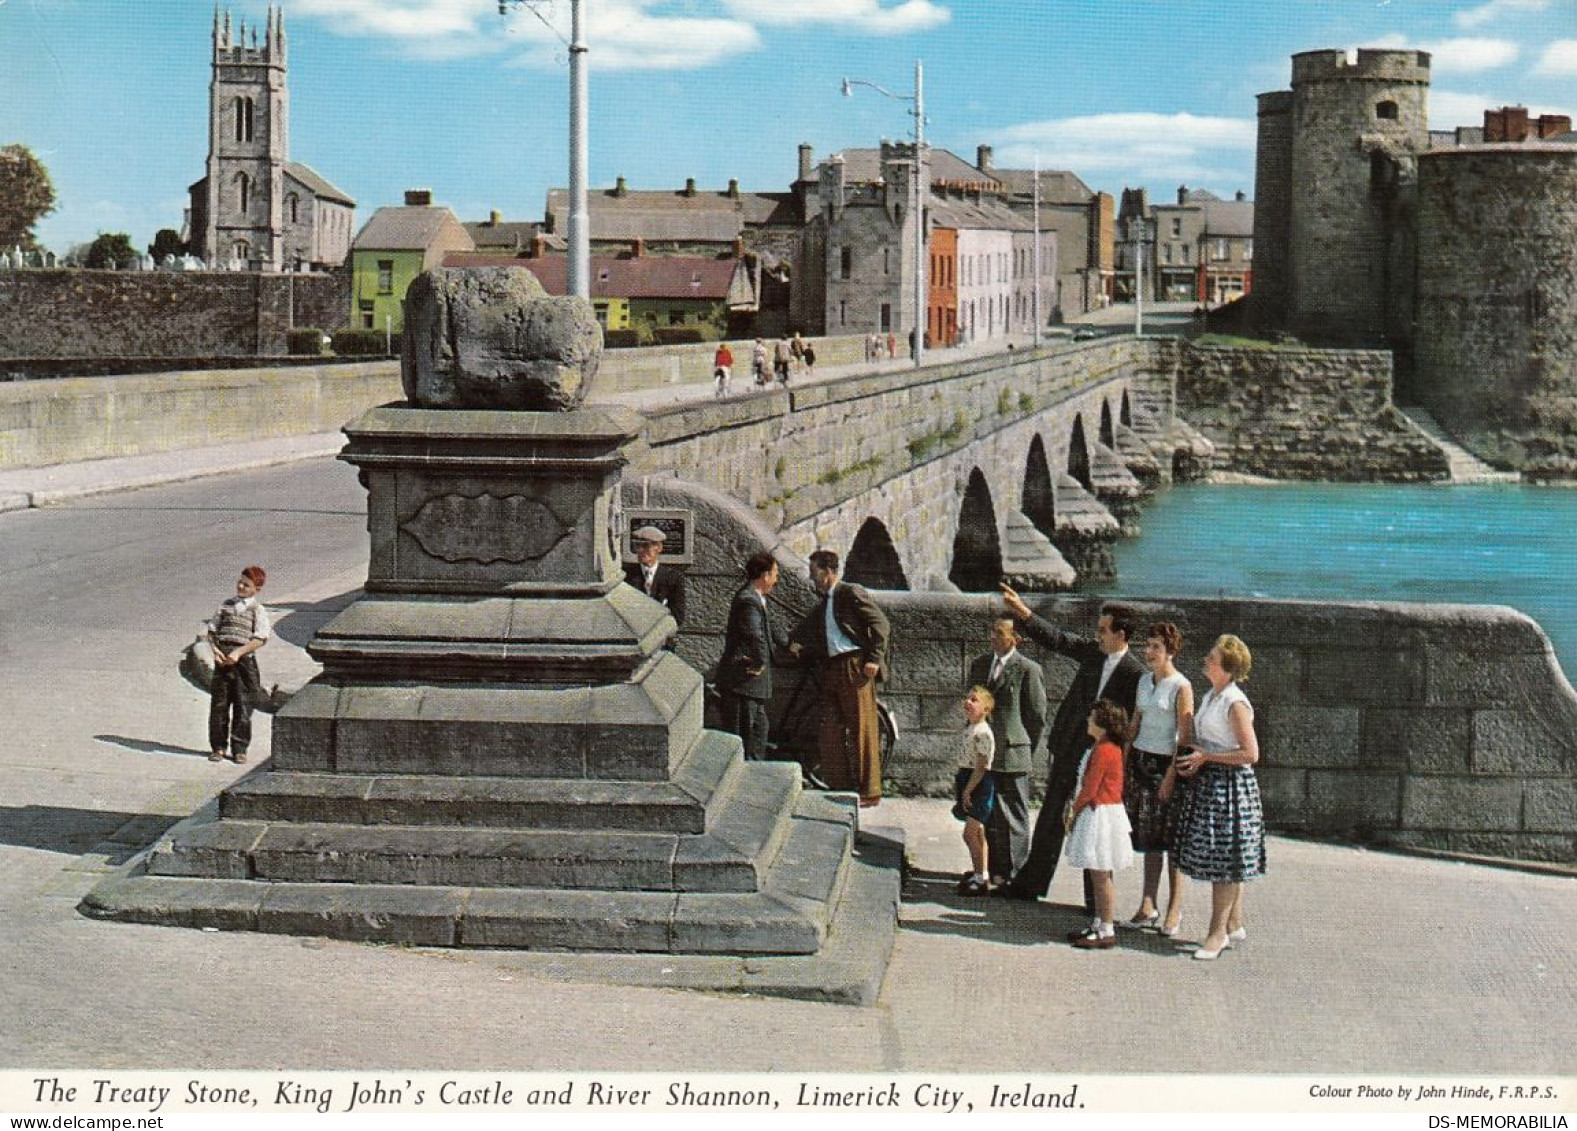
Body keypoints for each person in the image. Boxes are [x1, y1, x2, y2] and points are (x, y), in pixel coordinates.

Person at [994, 585, 1143, 909]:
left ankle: (1096, 904)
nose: (1098, 634)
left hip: (1102, 755)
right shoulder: (1093, 652)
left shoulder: (1135, 673)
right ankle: (1030, 884)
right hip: (1072, 745)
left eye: (1104, 630)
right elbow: (1058, 639)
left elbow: (1132, 724)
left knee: (1095, 822)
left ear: (1121, 634)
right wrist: (1023, 612)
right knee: (1051, 814)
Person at [1172, 634, 1264, 961]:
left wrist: (1207, 757)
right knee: (1226, 857)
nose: (1206, 661)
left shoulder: (1234, 702)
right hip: (1212, 783)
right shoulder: (1214, 695)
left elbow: (1250, 753)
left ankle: (1216, 934)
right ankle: (1234, 923)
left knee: (1225, 862)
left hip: (1231, 787)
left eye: (1212, 658)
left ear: (1227, 668)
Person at [787, 549, 891, 807]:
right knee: (829, 728)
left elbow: (881, 625)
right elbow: (807, 628)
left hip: (854, 666)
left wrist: (873, 659)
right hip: (832, 668)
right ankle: (841, 784)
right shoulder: (825, 602)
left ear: (829, 571)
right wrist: (795, 643)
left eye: (815, 574)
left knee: (862, 728)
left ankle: (870, 791)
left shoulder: (850, 593)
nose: (812, 579)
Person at [1123, 621, 1195, 937]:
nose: (1149, 652)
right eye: (1148, 645)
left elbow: (1185, 735)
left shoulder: (1182, 686)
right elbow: (1135, 723)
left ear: (1170, 652)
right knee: (1148, 838)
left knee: (1172, 841)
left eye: (1156, 647)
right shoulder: (1143, 681)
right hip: (1141, 761)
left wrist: (1170, 777)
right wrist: (1123, 761)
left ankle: (1174, 910)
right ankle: (1147, 904)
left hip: (1167, 766)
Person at [965, 616, 1047, 889]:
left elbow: (1036, 716)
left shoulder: (1027, 669)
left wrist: (1023, 748)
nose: (993, 638)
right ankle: (994, 871)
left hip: (1013, 753)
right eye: (992, 632)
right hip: (985, 753)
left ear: (1015, 639)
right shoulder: (979, 665)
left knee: (1014, 817)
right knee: (988, 815)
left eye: (999, 634)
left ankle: (1015, 875)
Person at [1065, 699, 1135, 949]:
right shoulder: (1102, 746)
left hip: (1101, 814)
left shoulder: (1105, 750)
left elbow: (1091, 787)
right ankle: (1098, 922)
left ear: (1103, 723)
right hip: (1100, 811)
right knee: (1097, 873)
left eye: (1092, 717)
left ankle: (1106, 928)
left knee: (1101, 873)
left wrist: (1074, 811)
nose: (1088, 720)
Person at [716, 551, 786, 760]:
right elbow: (756, 635)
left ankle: (753, 775)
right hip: (743, 682)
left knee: (758, 732)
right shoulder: (748, 600)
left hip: (750, 685)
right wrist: (760, 661)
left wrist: (791, 645)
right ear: (764, 575)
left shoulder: (757, 598)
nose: (776, 579)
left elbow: (770, 627)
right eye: (774, 574)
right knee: (746, 736)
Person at [206, 564, 271, 765]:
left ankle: (239, 748)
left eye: (247, 585)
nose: (241, 587)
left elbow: (260, 638)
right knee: (219, 705)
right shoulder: (225, 606)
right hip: (223, 661)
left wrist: (238, 653)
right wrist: (216, 652)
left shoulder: (257, 610)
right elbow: (212, 632)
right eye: (240, 582)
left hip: (243, 662)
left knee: (243, 706)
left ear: (256, 589)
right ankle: (218, 746)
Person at [954, 686, 998, 897]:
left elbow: (981, 766)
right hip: (967, 778)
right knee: (977, 831)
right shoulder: (971, 728)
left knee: (970, 832)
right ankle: (981, 872)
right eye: (967, 699)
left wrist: (968, 790)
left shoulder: (982, 732)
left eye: (975, 700)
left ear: (986, 709)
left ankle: (980, 878)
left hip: (977, 782)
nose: (968, 703)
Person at [623, 525, 686, 636]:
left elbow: (678, 616)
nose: (640, 550)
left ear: (659, 548)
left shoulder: (673, 578)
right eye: (637, 546)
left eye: (646, 546)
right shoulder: (626, 577)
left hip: (662, 640)